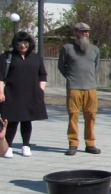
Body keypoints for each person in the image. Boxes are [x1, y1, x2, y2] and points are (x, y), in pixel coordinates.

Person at [0, 31, 48, 158]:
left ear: (30, 43)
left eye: (25, 42)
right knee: (11, 121)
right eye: (19, 42)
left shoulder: (36, 58)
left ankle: (26, 146)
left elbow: (43, 75)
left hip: (31, 94)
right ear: (15, 44)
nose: (22, 45)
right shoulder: (6, 57)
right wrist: (0, 92)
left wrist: (40, 90)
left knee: (27, 120)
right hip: (12, 94)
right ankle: (8, 146)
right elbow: (0, 77)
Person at [58, 22, 101, 155]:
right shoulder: (67, 48)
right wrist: (71, 78)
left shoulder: (95, 49)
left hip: (91, 88)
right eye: (82, 31)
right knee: (73, 116)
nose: (85, 34)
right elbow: (61, 66)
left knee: (91, 116)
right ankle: (73, 144)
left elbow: (96, 67)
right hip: (74, 87)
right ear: (76, 32)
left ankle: (90, 143)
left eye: (87, 31)